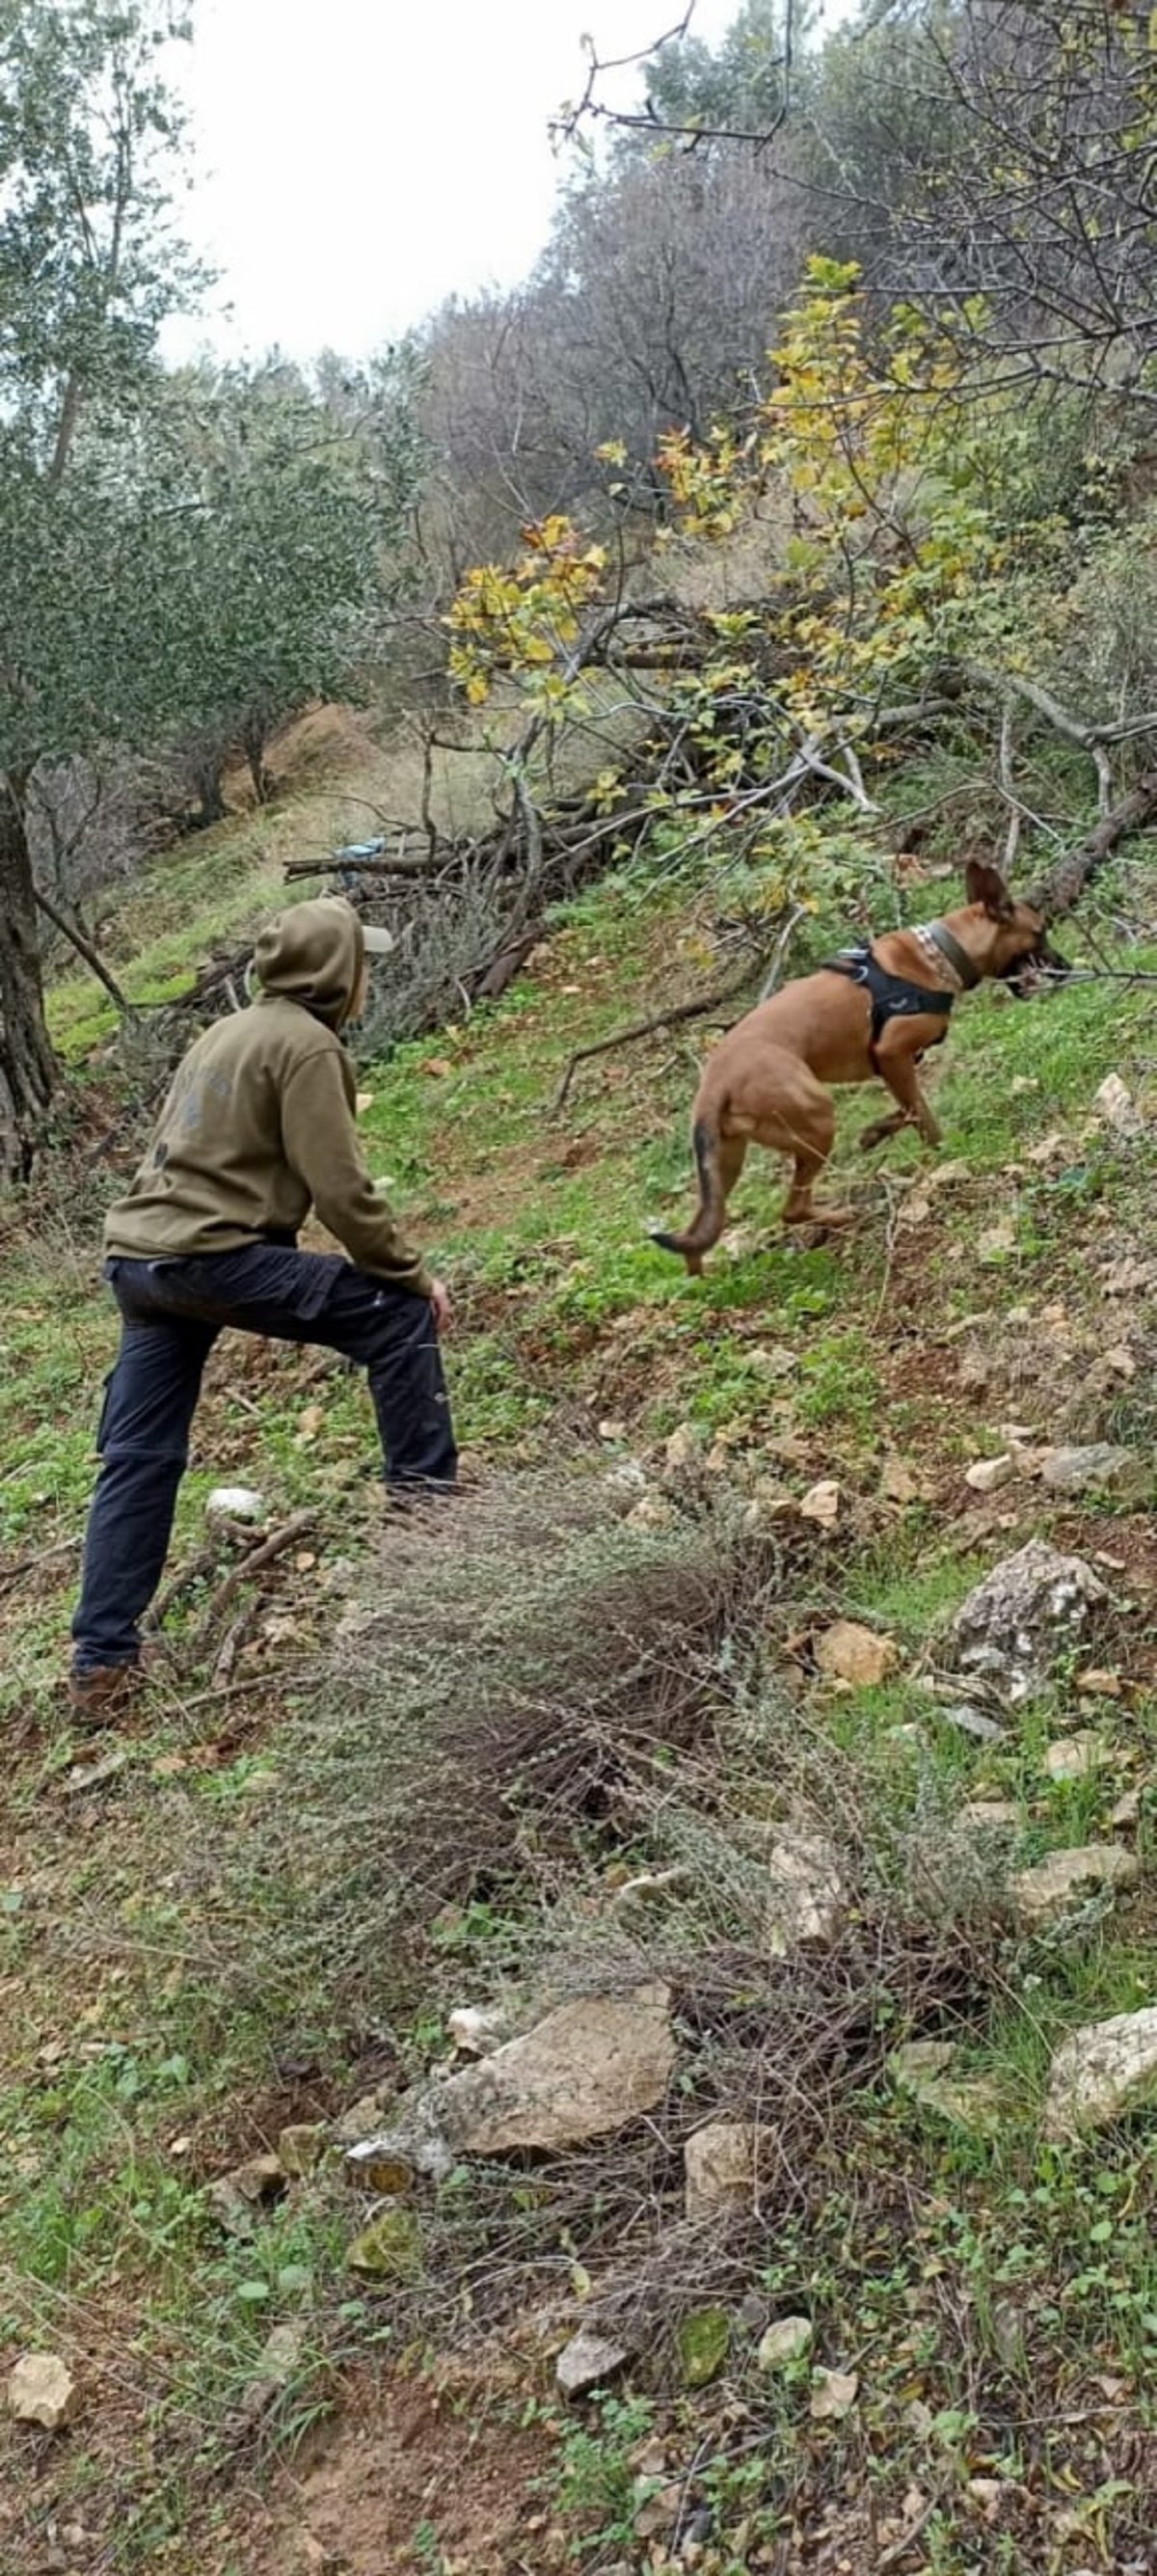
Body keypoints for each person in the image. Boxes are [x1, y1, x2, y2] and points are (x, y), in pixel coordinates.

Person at [68, 896, 456, 1721]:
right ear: (338, 973)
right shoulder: (308, 1046)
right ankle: (435, 1544)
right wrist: (413, 1276)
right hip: (214, 1258)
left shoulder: (224, 1032)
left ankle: (102, 1665)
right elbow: (342, 1193)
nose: (367, 981)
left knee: (138, 1458)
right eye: (363, 965)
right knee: (396, 1319)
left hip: (140, 1265)